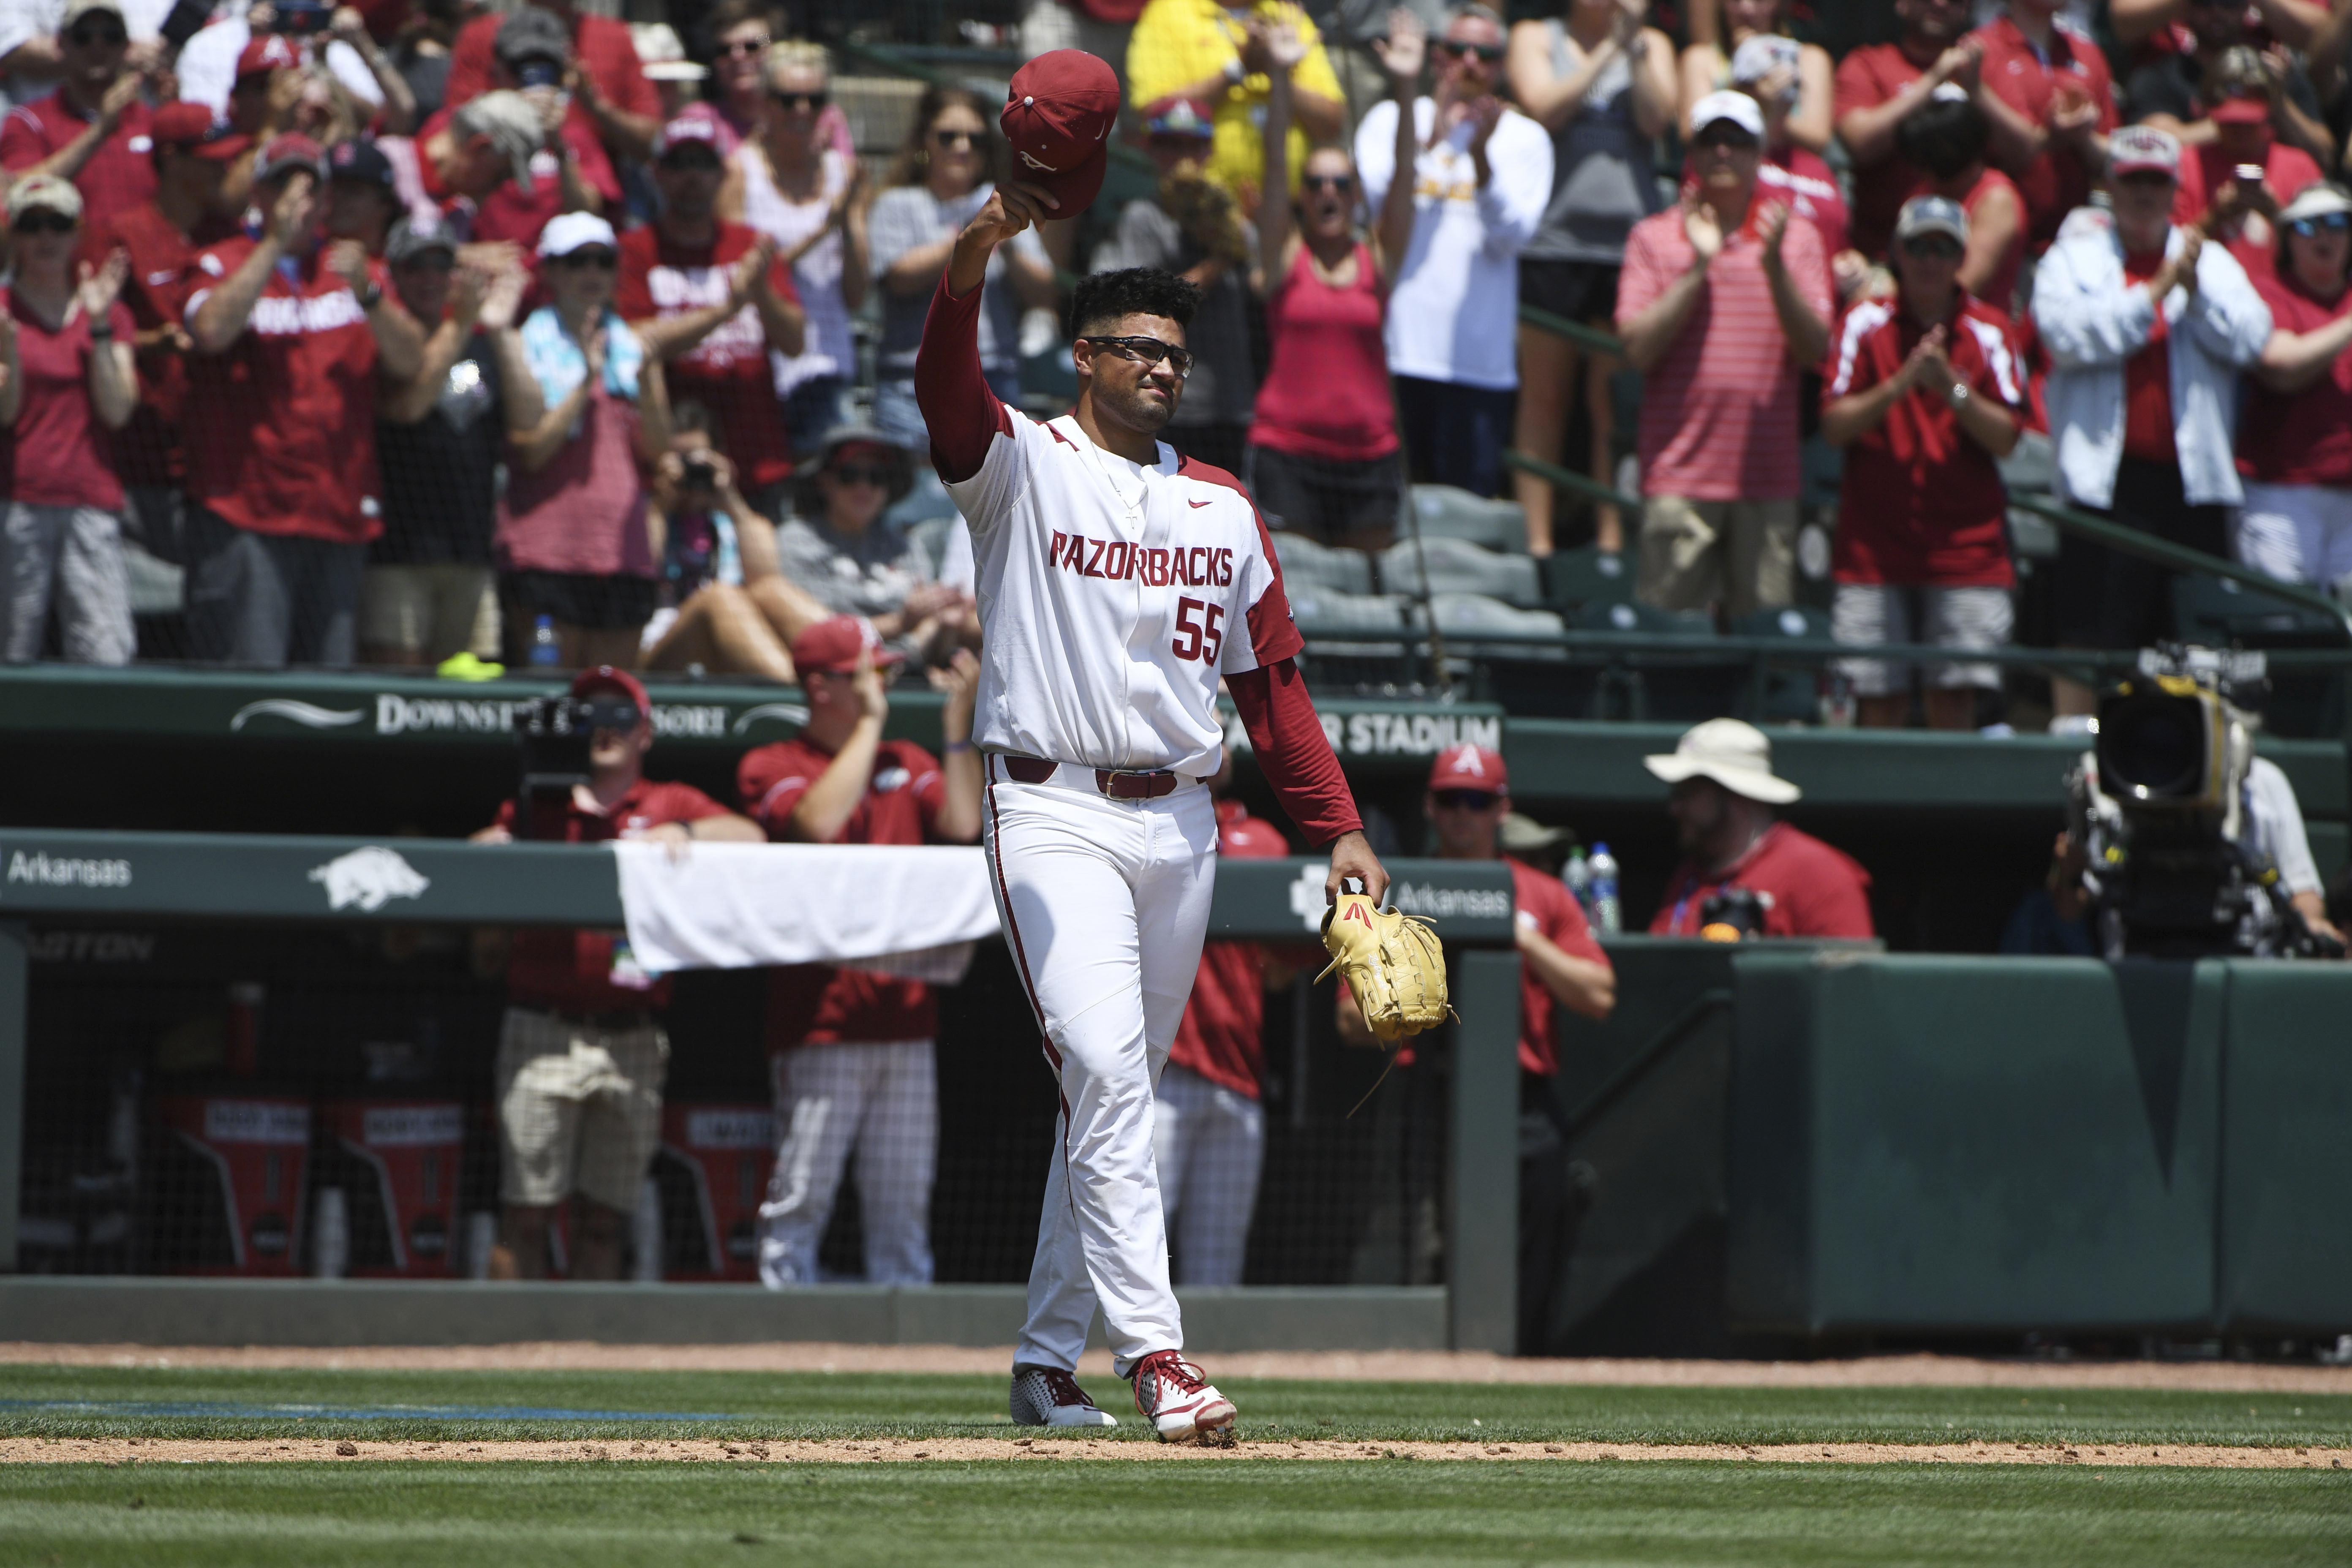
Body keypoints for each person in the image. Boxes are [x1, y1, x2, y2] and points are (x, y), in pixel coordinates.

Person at [917, 55, 1386, 1434]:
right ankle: (1160, 1360)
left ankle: (1042, 1360)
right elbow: (943, 380)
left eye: (1176, 354)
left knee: (1114, 1095)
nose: (1162, 368)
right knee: (1111, 1074)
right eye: (1137, 348)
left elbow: (1275, 691)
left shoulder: (1225, 508)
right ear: (1085, 357)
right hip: (1049, 806)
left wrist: (1338, 825)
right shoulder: (1019, 462)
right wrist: (977, 250)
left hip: (1180, 824)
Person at [471, 664, 763, 1281]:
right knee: (527, 1211)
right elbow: (475, 867)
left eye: (620, 717)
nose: (605, 728)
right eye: (591, 717)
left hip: (633, 1034)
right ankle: (500, 1356)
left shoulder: (667, 800)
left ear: (646, 733)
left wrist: (683, 832)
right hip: (543, 1028)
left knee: (605, 1217)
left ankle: (586, 1357)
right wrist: (488, 849)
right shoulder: (536, 801)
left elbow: (751, 837)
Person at [1338, 743, 1613, 1355]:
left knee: (1535, 1248)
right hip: (1426, 1099)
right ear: (1430, 807)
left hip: (1523, 1101)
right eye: (1450, 800)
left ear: (1502, 809)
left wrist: (1522, 941)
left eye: (1478, 801)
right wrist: (1410, 1001)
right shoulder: (1390, 893)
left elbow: (1600, 995)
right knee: (1426, 1251)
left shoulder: (1540, 893)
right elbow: (1350, 1024)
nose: (1464, 814)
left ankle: (1530, 1386)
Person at [738, 616, 983, 1287]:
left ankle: (902, 1363)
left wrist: (957, 723)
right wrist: (871, 726)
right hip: (821, 1023)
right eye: (868, 674)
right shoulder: (773, 762)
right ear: (822, 687)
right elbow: (815, 823)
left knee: (902, 1209)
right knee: (802, 1199)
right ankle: (784, 1340)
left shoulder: (906, 759)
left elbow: (964, 824)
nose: (884, 685)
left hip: (907, 1021)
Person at [2032, 125, 2272, 719]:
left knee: (2191, 637)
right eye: (2132, 180)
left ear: (2174, 190)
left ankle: (2193, 755)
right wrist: (2154, 295)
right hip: (2107, 480)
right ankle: (2077, 745)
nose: (2144, 193)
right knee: (2089, 626)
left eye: (2156, 182)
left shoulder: (2208, 260)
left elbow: (2253, 337)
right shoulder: (2073, 257)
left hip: (2192, 483)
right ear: (2109, 185)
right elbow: (2064, 336)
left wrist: (2193, 294)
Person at [181, 133, 427, 667]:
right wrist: (273, 244)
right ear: (259, 194)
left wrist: (369, 294)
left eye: (311, 188)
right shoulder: (222, 261)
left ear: (328, 200)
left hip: (337, 514)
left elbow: (411, 362)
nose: (300, 201)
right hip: (247, 513)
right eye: (283, 186)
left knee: (328, 698)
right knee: (250, 688)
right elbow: (211, 331)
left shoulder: (357, 273)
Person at [1616, 90, 1830, 618]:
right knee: (1671, 653)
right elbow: (1639, 350)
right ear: (1691, 150)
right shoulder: (1653, 237)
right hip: (1678, 477)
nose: (1724, 153)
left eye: (1738, 141)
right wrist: (1698, 266)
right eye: (1711, 140)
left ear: (1761, 153)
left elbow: (1815, 351)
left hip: (1767, 479)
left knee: (1764, 663)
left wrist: (1775, 268)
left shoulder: (1796, 239)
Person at [1823, 195, 2025, 731]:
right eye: (1918, 247)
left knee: (1955, 702)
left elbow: (2008, 437)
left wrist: (1952, 389)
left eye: (1943, 248)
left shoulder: (1990, 329)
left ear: (1961, 258)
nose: (1930, 261)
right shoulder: (1864, 323)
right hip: (1874, 548)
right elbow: (1834, 424)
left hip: (1964, 550)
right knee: (1876, 704)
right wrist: (1900, 385)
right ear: (1897, 254)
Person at [1356, 4, 1551, 499]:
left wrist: (1481, 159)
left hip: (1478, 369)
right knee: (1387, 514)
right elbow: (1369, 212)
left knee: (1467, 527)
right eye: (1457, 49)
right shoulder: (1392, 118)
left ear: (1501, 64)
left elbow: (1509, 237)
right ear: (1436, 57)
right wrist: (1434, 141)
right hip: (1396, 355)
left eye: (1485, 53)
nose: (1470, 61)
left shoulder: (1526, 139)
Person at [1505, 0, 1673, 556]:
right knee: (1545, 397)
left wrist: (1635, 46)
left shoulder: (1653, 46)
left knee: (1611, 406)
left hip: (1629, 250)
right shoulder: (1535, 36)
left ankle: (1609, 544)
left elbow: (1656, 118)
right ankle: (1538, 544)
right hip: (1553, 244)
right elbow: (1544, 108)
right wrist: (1607, 51)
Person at [1246, 26, 1401, 553]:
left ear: (1357, 196)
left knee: (1370, 605)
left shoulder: (1378, 259)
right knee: (1299, 598)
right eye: (1315, 184)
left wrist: (1404, 87)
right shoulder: (1286, 255)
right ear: (1303, 197)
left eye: (1340, 183)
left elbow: (1405, 181)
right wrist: (1283, 78)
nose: (1328, 192)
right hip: (1288, 454)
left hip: (1370, 457)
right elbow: (1272, 168)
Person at [490, 211, 668, 669]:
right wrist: (588, 377)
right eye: (577, 262)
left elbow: (657, 452)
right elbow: (532, 452)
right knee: (553, 707)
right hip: (546, 551)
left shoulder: (633, 346)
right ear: (550, 271)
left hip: (624, 553)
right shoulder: (525, 343)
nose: (592, 273)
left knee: (613, 704)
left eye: (603, 261)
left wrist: (649, 383)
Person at [78, 100, 247, 572]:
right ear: (173, 159)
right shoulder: (120, 235)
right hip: (143, 466)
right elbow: (87, 339)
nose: (226, 170)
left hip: (219, 469)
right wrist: (155, 342)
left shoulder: (231, 238)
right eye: (213, 160)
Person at [1149, 758, 1297, 1288]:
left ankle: (1202, 1368)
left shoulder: (1261, 838)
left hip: (1238, 1072)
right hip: (1162, 1074)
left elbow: (1281, 969)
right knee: (1139, 1240)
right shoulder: (1142, 820)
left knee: (1218, 1258)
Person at [615, 116, 804, 517]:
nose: (692, 176)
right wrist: (726, 311)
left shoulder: (753, 246)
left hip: (756, 460)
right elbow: (635, 341)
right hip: (668, 463)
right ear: (657, 175)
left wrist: (760, 292)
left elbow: (794, 341)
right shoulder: (634, 250)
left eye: (702, 164)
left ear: (721, 174)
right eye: (679, 164)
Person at [866, 85, 1055, 455]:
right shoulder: (897, 202)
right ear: (925, 142)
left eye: (975, 137)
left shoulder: (1003, 203)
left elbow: (1043, 290)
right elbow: (899, 278)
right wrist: (972, 235)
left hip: (994, 379)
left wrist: (1010, 237)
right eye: (949, 136)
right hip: (912, 383)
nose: (962, 147)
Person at [362, 220, 514, 668]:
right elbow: (408, 407)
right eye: (415, 267)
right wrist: (460, 324)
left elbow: (525, 420)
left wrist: (497, 328)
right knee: (401, 692)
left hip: (471, 552)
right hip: (399, 552)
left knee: (474, 695)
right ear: (394, 275)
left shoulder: (481, 342)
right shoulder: (384, 338)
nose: (429, 278)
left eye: (441, 265)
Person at [0, 173, 138, 665]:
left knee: (106, 652)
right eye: (32, 225)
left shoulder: (109, 312)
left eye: (58, 225)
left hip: (91, 504)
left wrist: (98, 325)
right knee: (11, 653)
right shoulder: (2, 310)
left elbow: (119, 410)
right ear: (14, 236)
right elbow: (5, 412)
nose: (46, 239)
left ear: (77, 233)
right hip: (15, 506)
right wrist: (9, 351)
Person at [1091, 95, 1257, 474]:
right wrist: (1220, 259)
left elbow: (1269, 285)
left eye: (1192, 145)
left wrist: (1259, 226)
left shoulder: (1231, 218)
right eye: (1170, 144)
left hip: (1232, 406)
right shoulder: (1144, 216)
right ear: (1151, 150)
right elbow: (1152, 305)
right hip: (1171, 403)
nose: (1182, 157)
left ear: (1209, 150)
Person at [637, 400, 830, 683]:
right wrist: (660, 509)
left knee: (770, 591)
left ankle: (864, 671)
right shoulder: (642, 513)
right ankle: (800, 699)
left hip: (735, 645)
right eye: (680, 460)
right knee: (719, 598)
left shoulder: (734, 518)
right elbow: (639, 577)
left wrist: (731, 501)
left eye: (697, 459)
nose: (690, 471)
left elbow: (765, 579)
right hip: (657, 651)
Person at [739, 39, 868, 457]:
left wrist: (847, 223)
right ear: (765, 103)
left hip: (827, 367)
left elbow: (856, 295)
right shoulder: (739, 171)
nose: (802, 111)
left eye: (815, 100)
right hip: (760, 367)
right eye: (789, 100)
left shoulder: (843, 173)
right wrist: (822, 230)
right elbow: (741, 278)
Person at [1644, 719, 1874, 938]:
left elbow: (1851, 975)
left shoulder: (1819, 873)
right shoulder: (1689, 875)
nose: (1675, 808)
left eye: (1686, 793)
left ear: (1737, 793)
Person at [2232, 182, 2352, 588]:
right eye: (2307, 226)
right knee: (2282, 632)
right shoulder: (2270, 293)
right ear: (2287, 237)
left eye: (2338, 223)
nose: (2324, 236)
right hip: (2282, 496)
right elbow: (2282, 368)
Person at [414, 11, 618, 250]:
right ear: (497, 70)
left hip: (548, 273)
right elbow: (418, 206)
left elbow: (584, 218)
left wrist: (558, 146)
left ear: (563, 77)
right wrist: (465, 255)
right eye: (521, 68)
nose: (534, 81)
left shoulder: (575, 139)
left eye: (547, 70)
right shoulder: (459, 124)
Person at [773, 423, 972, 668]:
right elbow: (816, 634)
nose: (864, 487)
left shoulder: (903, 545)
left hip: (908, 670)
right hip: (836, 674)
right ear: (824, 481)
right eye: (850, 474)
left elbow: (925, 632)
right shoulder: (796, 540)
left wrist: (946, 626)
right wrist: (901, 623)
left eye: (877, 477)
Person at [1125, 0, 1345, 202]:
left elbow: (1331, 124)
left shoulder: (1287, 15)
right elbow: (1153, 114)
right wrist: (1236, 72)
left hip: (1286, 211)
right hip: (1197, 210)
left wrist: (1278, 70)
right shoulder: (1169, 12)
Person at [1834, 0, 1997, 259]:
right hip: (1879, 253)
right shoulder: (1867, 63)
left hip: (1964, 248)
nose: (1941, 4)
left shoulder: (1983, 71)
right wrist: (1933, 79)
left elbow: (2025, 156)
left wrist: (1977, 92)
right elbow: (1861, 145)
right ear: (1902, 4)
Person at [0, 0, 157, 234]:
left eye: (111, 36)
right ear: (61, 45)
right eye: (83, 36)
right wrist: (99, 131)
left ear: (127, 46)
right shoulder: (30, 121)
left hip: (144, 261)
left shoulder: (152, 121)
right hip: (66, 264)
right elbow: (15, 196)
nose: (97, 45)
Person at [1968, 0, 2115, 251]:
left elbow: (2112, 158)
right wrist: (2054, 136)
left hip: (2076, 245)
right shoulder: (1980, 50)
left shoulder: (2087, 53)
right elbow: (2012, 153)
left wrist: (2081, 135)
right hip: (2002, 244)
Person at [442, 0, 659, 167]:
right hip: (499, 196)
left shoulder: (615, 37)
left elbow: (655, 145)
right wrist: (514, 106)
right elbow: (454, 133)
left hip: (592, 191)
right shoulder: (480, 35)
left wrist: (596, 107)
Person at [2166, 47, 2326, 272]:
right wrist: (2215, 217)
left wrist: (2277, 214)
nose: (2240, 131)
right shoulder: (2185, 165)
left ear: (2269, 112)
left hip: (2282, 297)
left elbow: (2324, 258)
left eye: (2250, 123)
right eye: (2230, 123)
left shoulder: (2300, 167)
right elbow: (2167, 255)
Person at [2127, 0, 2334, 174]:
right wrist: (2234, 117)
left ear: (2247, 7)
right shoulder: (2160, 76)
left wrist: (2277, 103)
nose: (2217, 11)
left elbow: (2324, 156)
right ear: (2186, 7)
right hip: (2195, 192)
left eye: (2230, 2)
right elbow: (2155, 146)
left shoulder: (2275, 74)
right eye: (2204, 2)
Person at [1893, 87, 2026, 314]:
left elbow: (1965, 286)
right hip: (1914, 321)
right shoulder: (1920, 194)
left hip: (1976, 331)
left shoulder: (1996, 198)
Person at [1679, 0, 1832, 157]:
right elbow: (1693, 129)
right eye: (1736, 1)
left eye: (1760, 1)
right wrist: (1740, 96)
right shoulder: (1701, 59)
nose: (1747, 9)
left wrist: (1772, 112)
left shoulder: (1809, 58)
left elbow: (1818, 139)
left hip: (1789, 175)